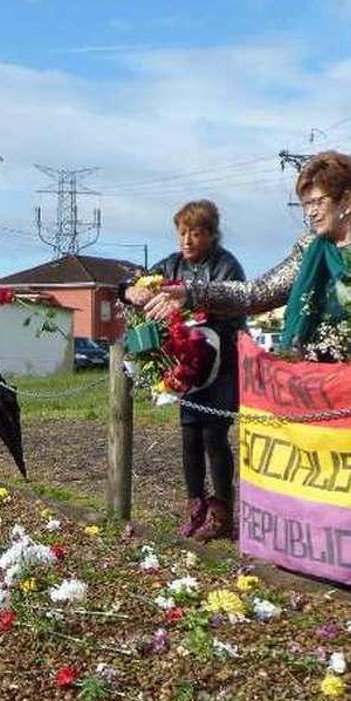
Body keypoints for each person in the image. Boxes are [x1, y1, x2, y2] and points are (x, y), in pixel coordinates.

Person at [142, 150, 351, 358]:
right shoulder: (310, 250)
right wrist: (191, 292)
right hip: (329, 376)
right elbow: (255, 293)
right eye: (306, 205)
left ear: (346, 201)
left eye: (317, 202)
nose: (311, 213)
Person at [122, 200, 245, 542]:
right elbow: (134, 278)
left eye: (196, 233)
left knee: (214, 436)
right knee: (190, 436)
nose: (187, 240)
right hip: (188, 365)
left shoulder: (226, 266)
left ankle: (222, 515)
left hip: (221, 365)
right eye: (182, 233)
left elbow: (231, 303)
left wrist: (191, 304)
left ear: (211, 235)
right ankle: (196, 508)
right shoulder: (172, 264)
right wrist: (130, 288)